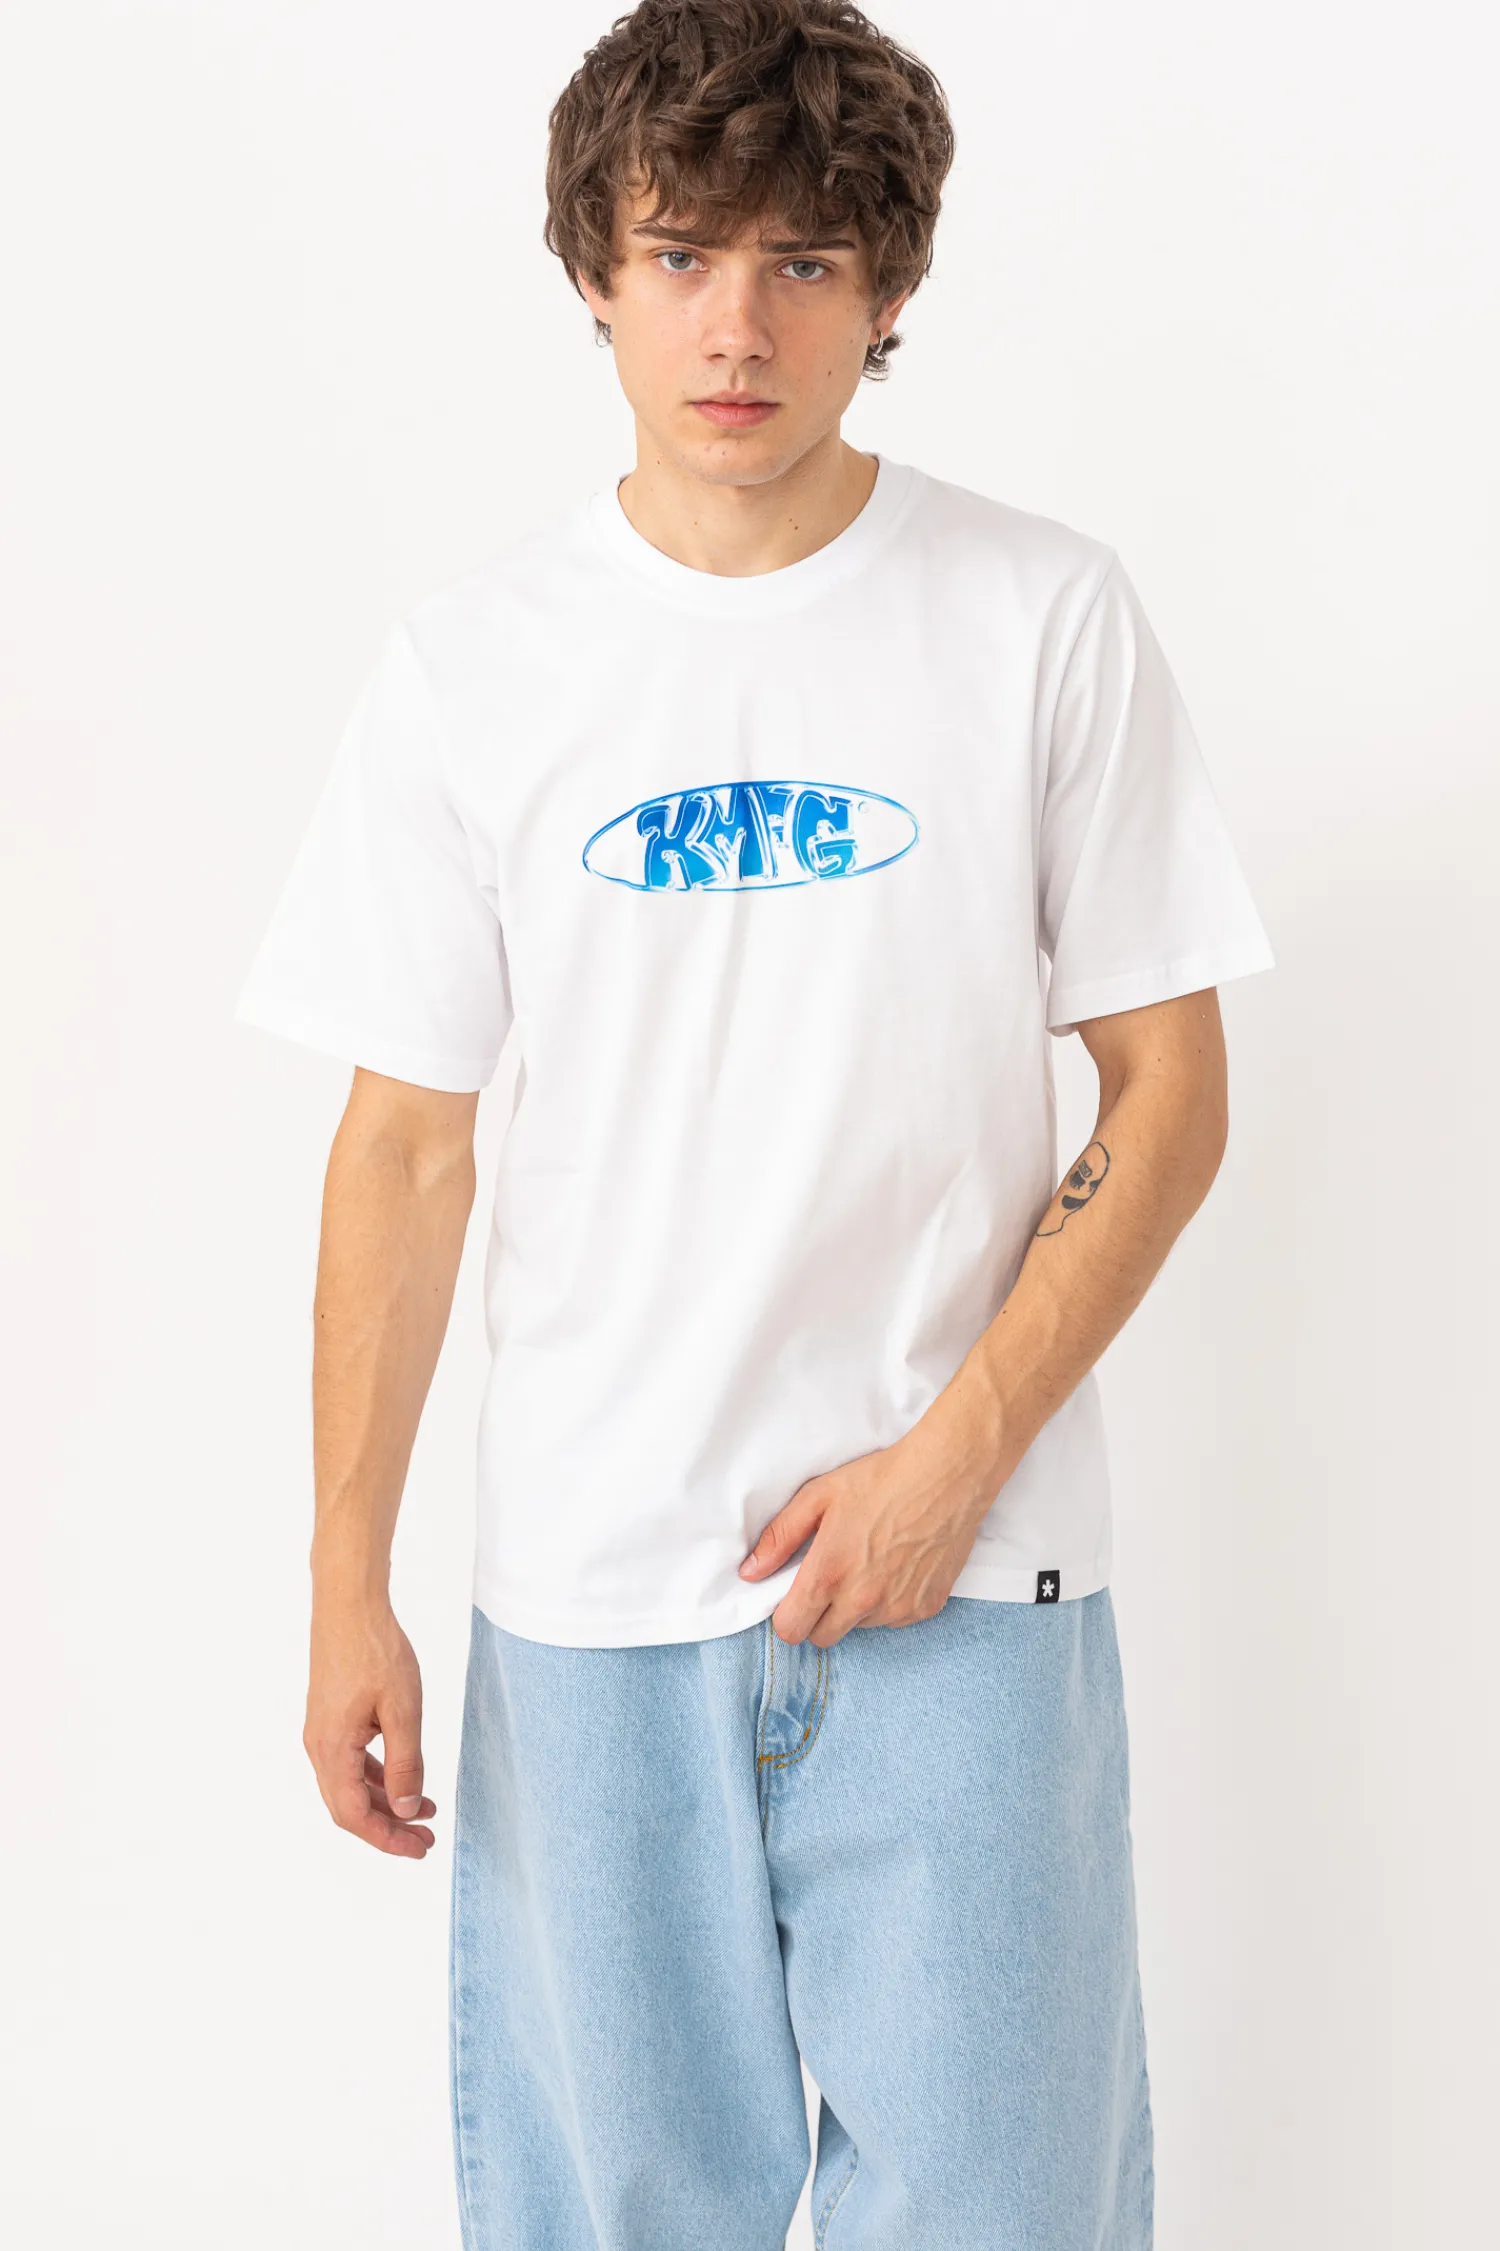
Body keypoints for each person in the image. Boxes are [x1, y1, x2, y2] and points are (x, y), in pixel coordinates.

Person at [237, 3, 1273, 2243]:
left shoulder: (1038, 616)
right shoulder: (473, 666)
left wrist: (950, 1463)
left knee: (1006, 2216)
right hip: (592, 1597)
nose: (739, 325)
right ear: (593, 275)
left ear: (886, 289)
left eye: (805, 262)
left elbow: (1170, 1089)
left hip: (968, 1587)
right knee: (618, 2218)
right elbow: (404, 1148)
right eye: (682, 253)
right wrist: (346, 1583)